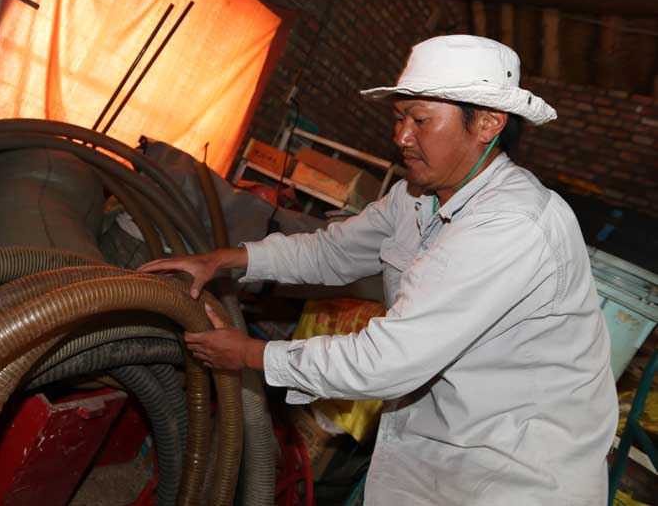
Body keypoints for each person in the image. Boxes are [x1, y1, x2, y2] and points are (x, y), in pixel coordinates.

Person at [140, 35, 618, 506]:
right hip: (439, 447)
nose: (401, 137)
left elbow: (388, 359)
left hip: (514, 475)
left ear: (488, 123)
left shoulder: (513, 224)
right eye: (399, 118)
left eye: (421, 120)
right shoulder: (418, 195)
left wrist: (251, 355)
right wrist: (223, 259)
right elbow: (332, 251)